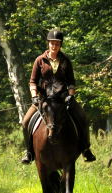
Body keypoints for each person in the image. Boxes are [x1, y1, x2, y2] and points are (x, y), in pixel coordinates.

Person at [20, 29, 97, 164]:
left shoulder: (66, 60)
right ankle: (29, 152)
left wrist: (71, 96)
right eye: (52, 43)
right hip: (43, 99)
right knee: (25, 122)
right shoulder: (39, 60)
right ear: (48, 43)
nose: (54, 46)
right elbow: (32, 81)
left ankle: (86, 149)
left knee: (83, 118)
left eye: (57, 44)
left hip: (62, 99)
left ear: (60, 45)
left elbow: (71, 82)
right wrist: (34, 96)